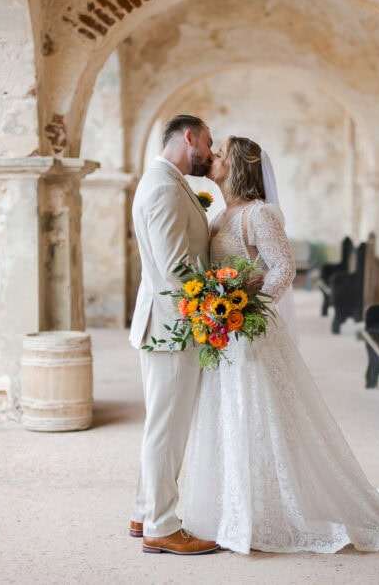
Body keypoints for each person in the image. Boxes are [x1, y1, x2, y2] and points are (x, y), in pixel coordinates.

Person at [178, 136, 379, 554]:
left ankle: (266, 512)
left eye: (220, 153)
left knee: (258, 415)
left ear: (237, 165)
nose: (212, 157)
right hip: (226, 335)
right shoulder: (220, 217)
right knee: (231, 416)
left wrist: (246, 307)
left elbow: (283, 269)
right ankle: (234, 509)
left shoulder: (259, 215)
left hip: (251, 333)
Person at [127, 114, 220, 555]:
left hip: (168, 321)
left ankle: (145, 510)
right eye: (207, 142)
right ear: (189, 137)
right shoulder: (163, 186)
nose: (209, 151)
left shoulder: (167, 180)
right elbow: (174, 267)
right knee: (167, 428)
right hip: (173, 325)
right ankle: (161, 526)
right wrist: (218, 297)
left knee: (162, 424)